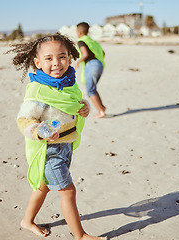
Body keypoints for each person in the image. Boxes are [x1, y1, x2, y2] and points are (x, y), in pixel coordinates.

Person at [7, 33, 107, 240]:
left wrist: (85, 108)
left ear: (70, 58)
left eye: (62, 57)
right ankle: (80, 236)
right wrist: (37, 131)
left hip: (66, 148)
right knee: (68, 191)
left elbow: (74, 105)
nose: (56, 63)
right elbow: (24, 119)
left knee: (42, 187)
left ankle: (27, 221)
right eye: (49, 58)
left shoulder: (69, 84)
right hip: (49, 152)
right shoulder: (39, 90)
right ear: (37, 62)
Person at [75, 22, 107, 118]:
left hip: (92, 65)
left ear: (79, 32)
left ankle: (101, 111)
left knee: (90, 90)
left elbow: (85, 54)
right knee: (92, 88)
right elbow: (103, 53)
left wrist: (78, 62)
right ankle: (102, 107)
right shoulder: (93, 41)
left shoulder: (81, 41)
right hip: (99, 64)